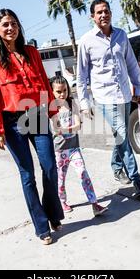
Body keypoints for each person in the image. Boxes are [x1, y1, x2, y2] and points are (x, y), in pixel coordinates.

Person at [0, 8, 64, 245]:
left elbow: (44, 84)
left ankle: (53, 214)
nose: (11, 28)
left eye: (14, 23)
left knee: (50, 167)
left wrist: (52, 112)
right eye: (5, 25)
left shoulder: (31, 52)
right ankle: (42, 226)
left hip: (37, 113)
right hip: (11, 122)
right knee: (27, 174)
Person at [76, 0, 140, 198]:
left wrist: (139, 89)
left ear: (110, 13)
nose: (103, 15)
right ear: (92, 16)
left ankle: (116, 166)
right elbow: (81, 76)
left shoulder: (121, 35)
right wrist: (84, 103)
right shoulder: (86, 41)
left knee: (120, 136)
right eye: (99, 12)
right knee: (123, 134)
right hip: (104, 97)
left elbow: (132, 63)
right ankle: (137, 180)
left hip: (124, 94)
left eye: (106, 11)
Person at [49, 76, 108, 216]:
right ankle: (62, 201)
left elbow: (77, 126)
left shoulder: (72, 104)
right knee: (60, 179)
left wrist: (64, 130)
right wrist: (67, 129)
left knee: (83, 173)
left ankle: (94, 204)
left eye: (64, 90)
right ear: (52, 92)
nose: (62, 94)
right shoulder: (52, 108)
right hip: (59, 150)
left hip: (74, 148)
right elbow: (55, 128)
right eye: (58, 91)